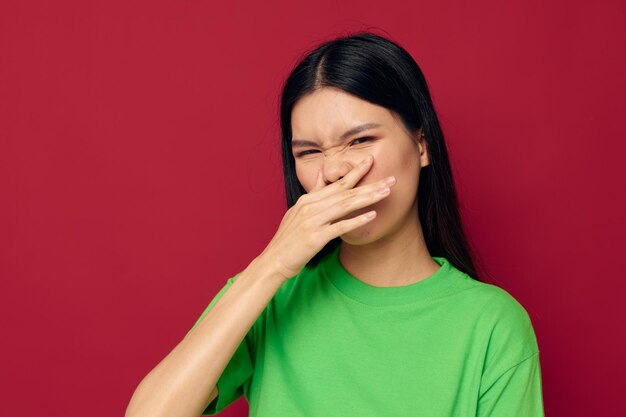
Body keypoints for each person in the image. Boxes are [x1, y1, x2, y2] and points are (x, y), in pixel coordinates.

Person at [125, 32, 545, 417]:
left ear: (421, 145)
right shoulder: (271, 297)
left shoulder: (491, 324)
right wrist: (272, 264)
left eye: (360, 141)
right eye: (308, 152)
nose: (335, 171)